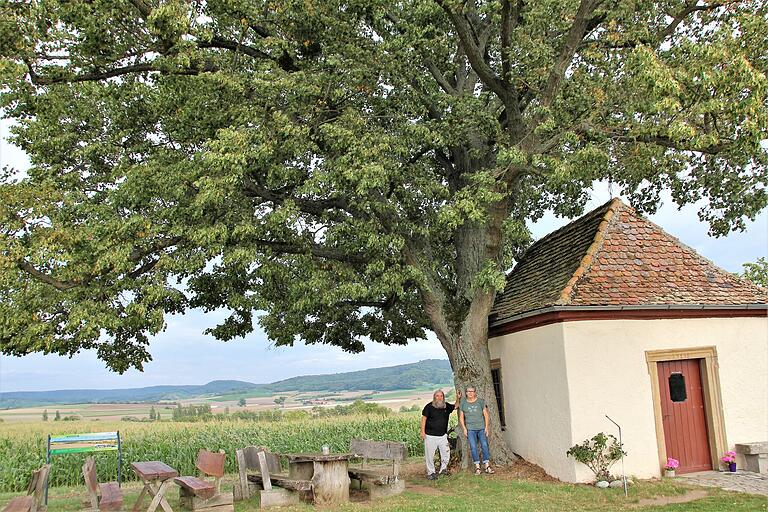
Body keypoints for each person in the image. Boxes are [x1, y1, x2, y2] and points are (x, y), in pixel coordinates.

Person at [420, 388, 461, 480]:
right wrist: (422, 432)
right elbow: (423, 419)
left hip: (442, 436)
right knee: (430, 456)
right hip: (430, 436)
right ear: (434, 397)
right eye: (437, 396)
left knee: (446, 453)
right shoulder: (429, 407)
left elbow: (456, 406)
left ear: (443, 397)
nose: (439, 398)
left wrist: (458, 398)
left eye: (441, 396)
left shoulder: (446, 406)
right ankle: (431, 473)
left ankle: (443, 470)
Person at [459, 386, 494, 475]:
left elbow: (486, 415)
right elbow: (461, 417)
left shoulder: (480, 402)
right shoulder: (463, 403)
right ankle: (477, 467)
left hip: (481, 428)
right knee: (473, 447)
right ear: (466, 393)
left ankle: (487, 466)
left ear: (475, 392)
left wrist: (486, 427)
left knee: (485, 445)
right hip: (470, 429)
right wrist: (464, 429)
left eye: (472, 391)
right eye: (468, 391)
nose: (470, 393)